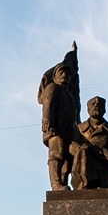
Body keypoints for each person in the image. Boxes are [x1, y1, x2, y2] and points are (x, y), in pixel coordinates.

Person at [38, 44, 81, 191]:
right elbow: (48, 106)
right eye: (61, 73)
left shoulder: (70, 95)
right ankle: (56, 184)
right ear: (55, 76)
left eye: (67, 74)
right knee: (57, 155)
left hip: (69, 132)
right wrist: (46, 121)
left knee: (72, 157)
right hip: (55, 130)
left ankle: (65, 182)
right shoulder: (52, 88)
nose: (65, 75)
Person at [73, 96, 108, 189]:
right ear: (88, 109)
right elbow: (72, 148)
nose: (96, 105)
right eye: (93, 104)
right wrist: (86, 149)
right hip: (83, 173)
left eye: (100, 105)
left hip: (104, 174)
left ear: (104, 110)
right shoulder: (79, 129)